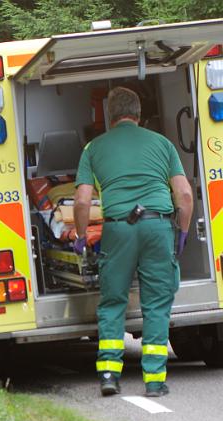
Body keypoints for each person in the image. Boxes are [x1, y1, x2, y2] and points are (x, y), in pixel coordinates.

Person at [73, 86, 193, 398]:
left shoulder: (93, 149)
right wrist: (181, 232)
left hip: (118, 229)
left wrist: (82, 235)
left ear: (108, 116)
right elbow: (184, 195)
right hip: (158, 226)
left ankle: (110, 375)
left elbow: (83, 201)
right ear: (139, 114)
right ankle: (154, 381)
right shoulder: (163, 144)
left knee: (113, 301)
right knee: (156, 304)